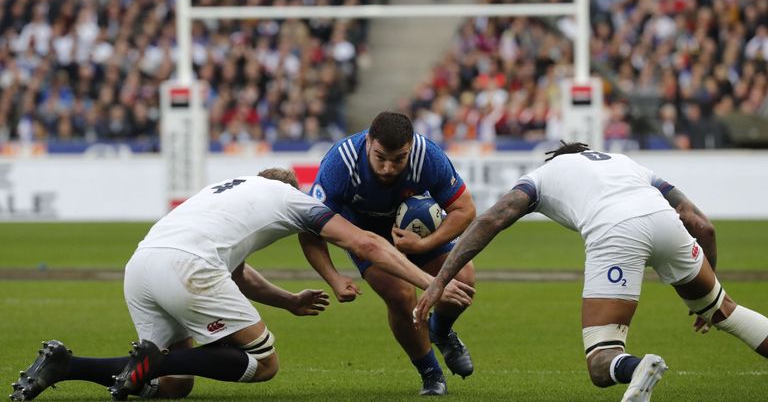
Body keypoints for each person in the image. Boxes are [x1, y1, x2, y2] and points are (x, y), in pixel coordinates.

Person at [10, 168, 474, 401]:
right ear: (294, 188)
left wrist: (288, 300)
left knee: (175, 385)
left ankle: (65, 365)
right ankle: (152, 361)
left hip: (142, 265)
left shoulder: (225, 190)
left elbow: (234, 272)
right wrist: (431, 282)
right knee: (263, 363)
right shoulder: (294, 199)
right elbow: (368, 245)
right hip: (186, 266)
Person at [415, 142, 768, 402]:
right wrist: (705, 298)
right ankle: (712, 310)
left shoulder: (541, 175)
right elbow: (702, 225)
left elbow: (492, 219)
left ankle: (636, 368)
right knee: (727, 312)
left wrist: (440, 281)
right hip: (664, 220)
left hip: (615, 230)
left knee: (602, 361)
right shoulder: (626, 163)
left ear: (558, 157)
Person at [304, 111, 477, 396]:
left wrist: (422, 245)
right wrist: (333, 277)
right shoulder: (341, 162)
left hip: (415, 233)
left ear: (410, 147)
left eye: (398, 159)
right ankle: (431, 374)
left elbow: (465, 210)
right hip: (362, 234)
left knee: (464, 279)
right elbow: (310, 227)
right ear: (368, 142)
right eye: (380, 157)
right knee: (400, 295)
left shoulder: (426, 156)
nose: (388, 168)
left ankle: (441, 331)